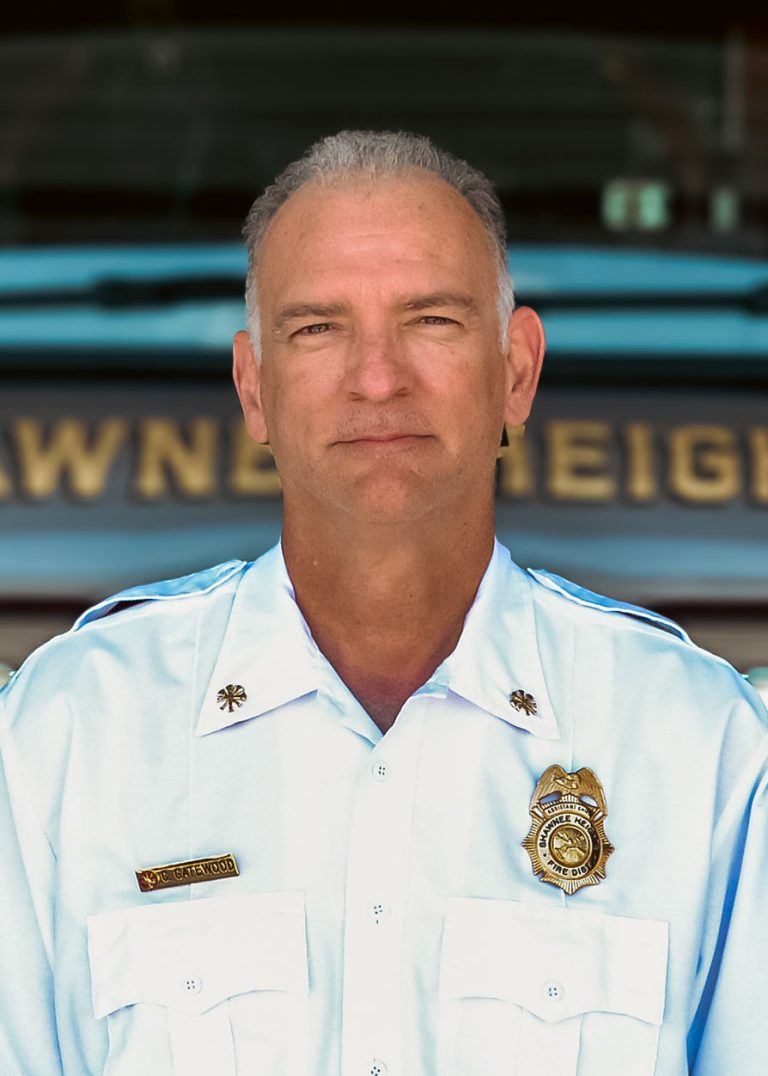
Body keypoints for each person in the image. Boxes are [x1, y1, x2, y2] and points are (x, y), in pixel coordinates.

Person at [1, 130, 766, 1076]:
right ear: (253, 386)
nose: (376, 377)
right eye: (317, 328)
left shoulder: (699, 744)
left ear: (517, 372)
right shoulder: (66, 733)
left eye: (432, 320)